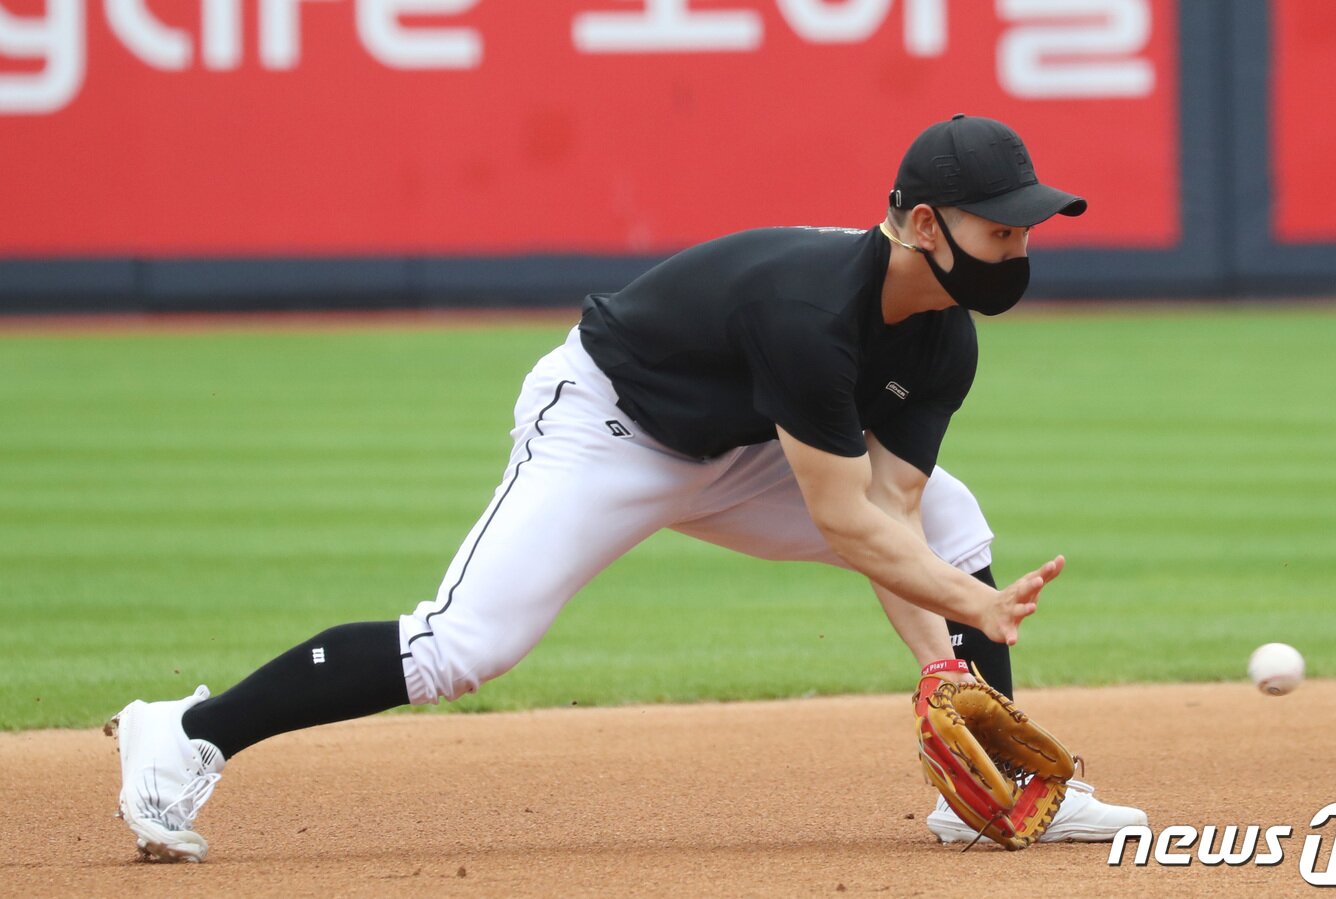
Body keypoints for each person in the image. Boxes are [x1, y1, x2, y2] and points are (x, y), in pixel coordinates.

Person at [107, 113, 1144, 862]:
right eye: (999, 228)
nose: (1018, 247)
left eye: (1023, 228)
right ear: (924, 223)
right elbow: (844, 521)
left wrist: (940, 673)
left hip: (737, 445)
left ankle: (985, 790)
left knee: (951, 518)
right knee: (462, 644)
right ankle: (186, 732)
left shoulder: (942, 336)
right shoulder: (809, 308)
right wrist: (969, 606)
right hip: (606, 423)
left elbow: (895, 513)